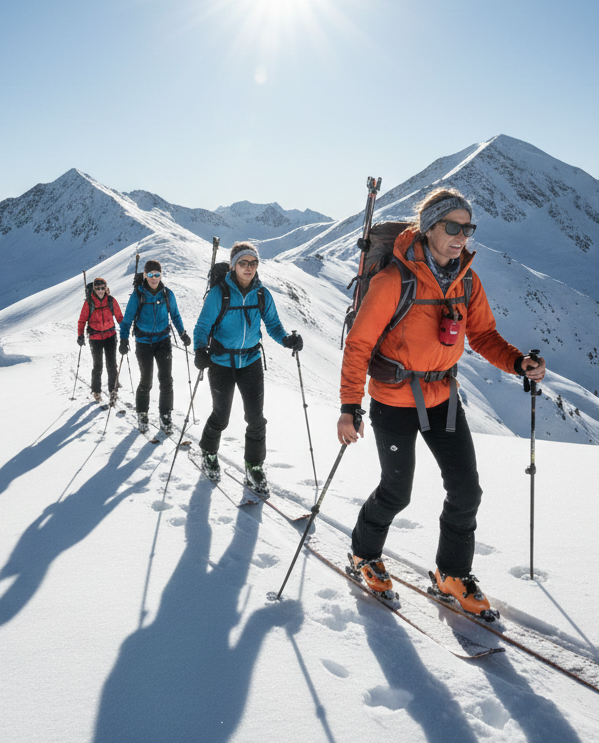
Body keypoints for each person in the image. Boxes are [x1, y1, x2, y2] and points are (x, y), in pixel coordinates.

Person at [337, 188, 546, 616]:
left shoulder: (466, 279)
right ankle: (363, 553)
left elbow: (484, 335)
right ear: (430, 226)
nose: (461, 236)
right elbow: (359, 344)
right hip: (393, 400)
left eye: (467, 228)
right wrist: (349, 406)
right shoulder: (394, 279)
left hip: (442, 398)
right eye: (452, 226)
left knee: (466, 490)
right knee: (396, 492)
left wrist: (518, 362)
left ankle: (451, 574)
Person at [192, 241, 303, 498]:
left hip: (251, 361)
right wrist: (199, 350)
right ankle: (208, 452)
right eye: (244, 263)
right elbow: (202, 327)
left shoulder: (262, 294)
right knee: (221, 416)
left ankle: (254, 466)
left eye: (253, 263)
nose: (249, 268)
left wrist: (286, 339)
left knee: (256, 419)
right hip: (221, 363)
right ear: (233, 265)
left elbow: (273, 324)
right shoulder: (219, 294)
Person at [119, 260, 189, 435]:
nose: (154, 278)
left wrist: (182, 334)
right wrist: (123, 340)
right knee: (146, 380)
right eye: (150, 274)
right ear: (145, 275)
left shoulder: (167, 294)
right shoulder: (138, 295)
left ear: (161, 275)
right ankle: (142, 414)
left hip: (163, 341)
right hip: (143, 342)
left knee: (166, 380)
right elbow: (127, 320)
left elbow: (175, 315)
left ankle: (165, 416)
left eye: (157, 274)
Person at [77, 276, 124, 404]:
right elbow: (81, 320)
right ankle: (96, 390)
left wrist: (125, 331)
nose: (100, 291)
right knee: (98, 365)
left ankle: (113, 391)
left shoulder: (111, 301)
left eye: (102, 288)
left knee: (111, 365)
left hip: (110, 336)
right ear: (94, 288)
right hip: (95, 337)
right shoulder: (89, 303)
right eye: (97, 288)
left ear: (105, 288)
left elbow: (120, 317)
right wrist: (80, 335)